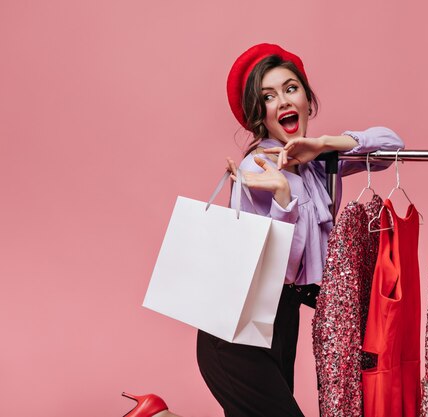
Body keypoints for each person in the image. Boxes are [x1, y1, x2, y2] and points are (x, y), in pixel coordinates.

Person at [123, 43, 405, 417]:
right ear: (261, 115)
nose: (283, 101)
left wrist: (323, 144)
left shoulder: (317, 163)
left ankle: (157, 415)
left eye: (291, 88)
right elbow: (278, 270)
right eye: (268, 97)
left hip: (278, 327)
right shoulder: (256, 170)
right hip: (235, 334)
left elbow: (392, 146)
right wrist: (284, 197)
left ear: (307, 98)